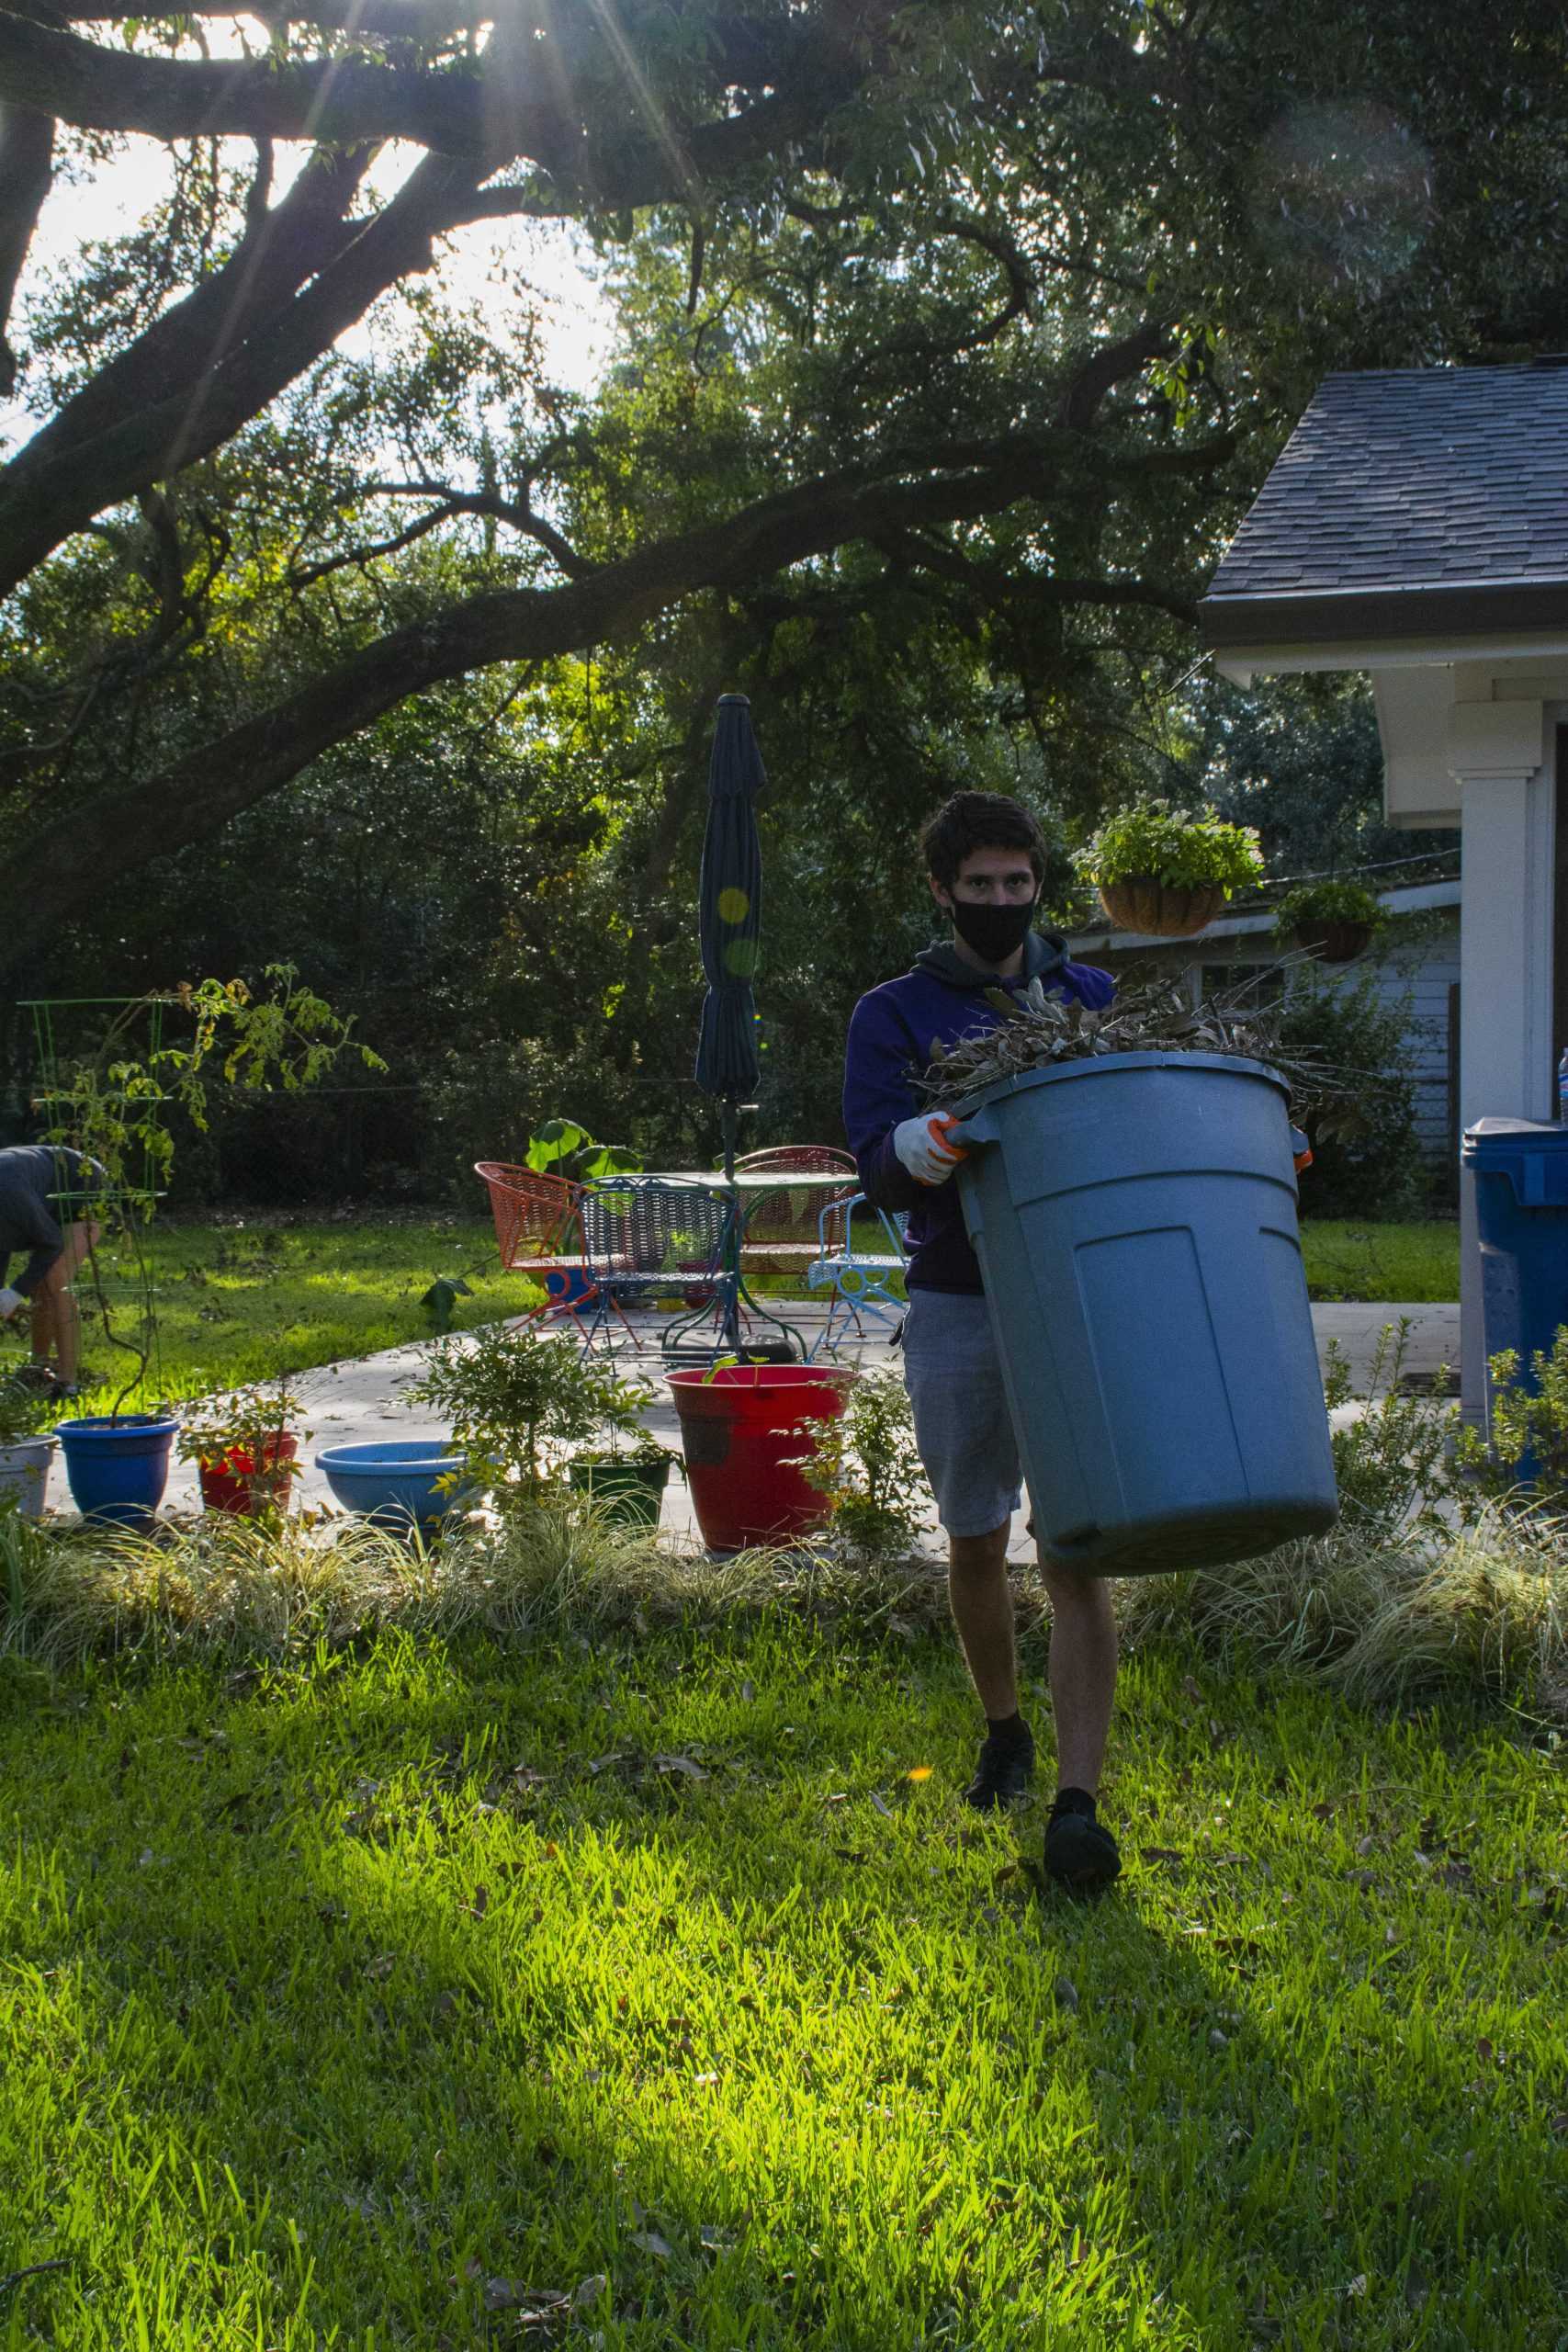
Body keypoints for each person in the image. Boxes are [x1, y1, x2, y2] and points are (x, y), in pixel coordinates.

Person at [842, 791, 1122, 1894]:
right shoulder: (895, 1012)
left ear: (1038, 883)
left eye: (1021, 883)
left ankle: (1077, 1799)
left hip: (1076, 1295)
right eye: (982, 885)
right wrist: (926, 1142)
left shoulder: (1090, 995)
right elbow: (872, 1163)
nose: (1004, 902)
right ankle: (1004, 1728)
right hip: (959, 1298)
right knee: (975, 1536)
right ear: (942, 890)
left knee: (1079, 1549)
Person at [0, 1145, 104, 1396]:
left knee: (56, 1278)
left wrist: (14, 1294)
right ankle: (37, 1370)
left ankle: (68, 1383)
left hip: (82, 1181)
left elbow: (51, 1242)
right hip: (38, 1193)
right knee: (38, 1284)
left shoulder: (10, 1196)